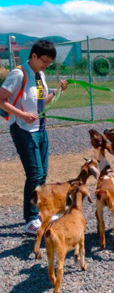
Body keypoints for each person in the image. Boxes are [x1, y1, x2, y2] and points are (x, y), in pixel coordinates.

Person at [0, 40, 67, 235]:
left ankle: (40, 213)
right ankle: (30, 219)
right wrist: (21, 115)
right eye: (44, 60)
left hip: (40, 128)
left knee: (43, 173)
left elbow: (40, 102)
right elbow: (1, 98)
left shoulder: (40, 75)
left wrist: (56, 92)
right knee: (35, 174)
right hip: (22, 129)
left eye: (49, 62)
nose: (46, 65)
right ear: (34, 56)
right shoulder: (18, 73)